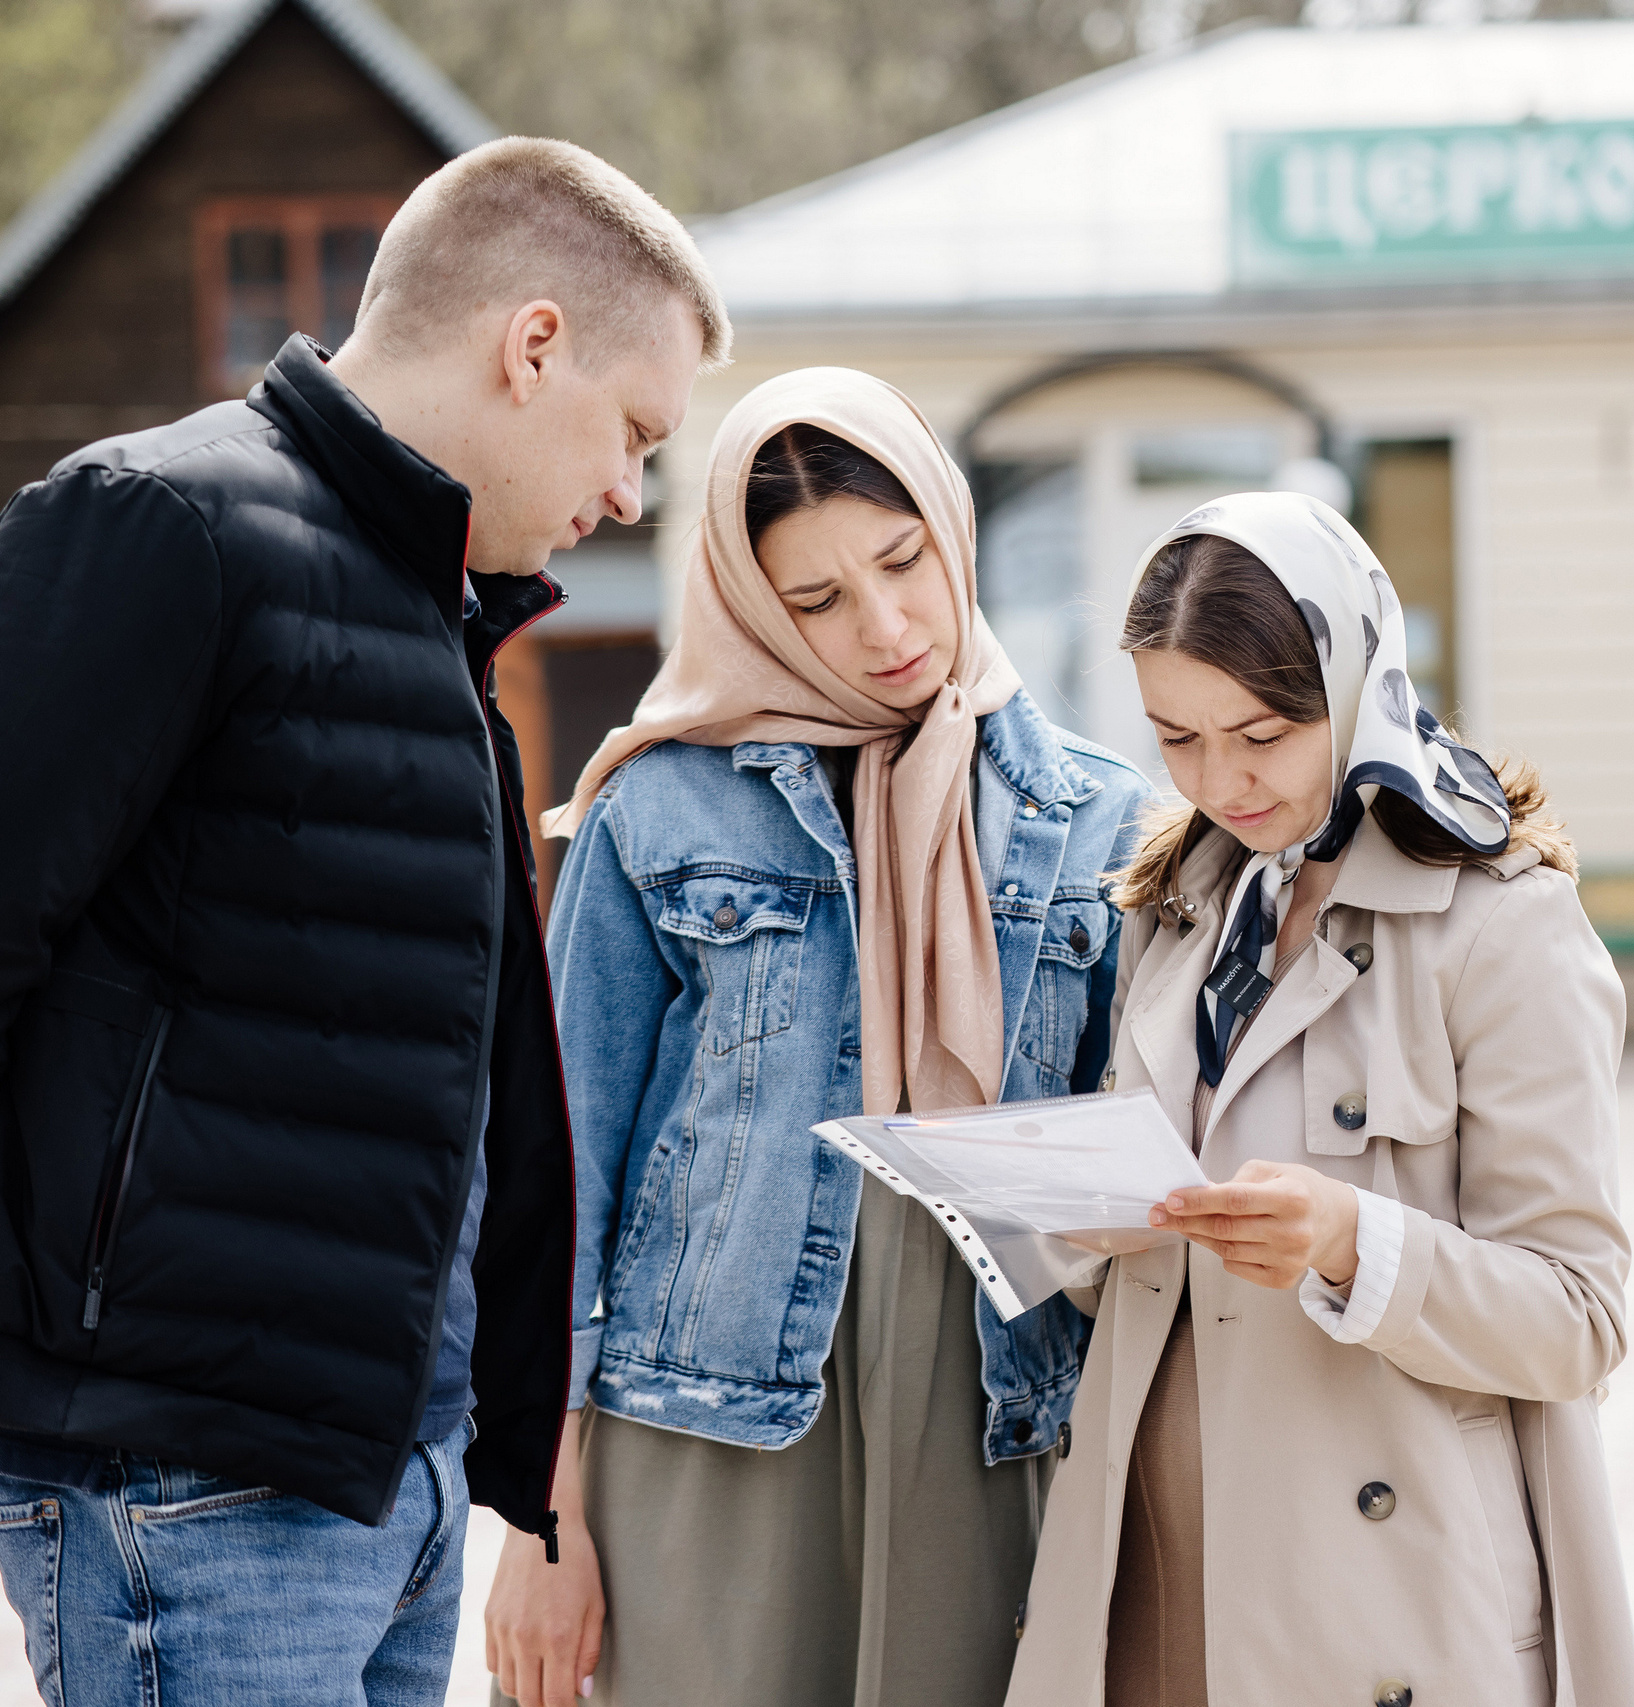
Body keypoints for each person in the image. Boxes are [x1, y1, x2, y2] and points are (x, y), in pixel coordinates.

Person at [0, 137, 730, 1707]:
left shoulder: (430, 610)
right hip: (186, 1479)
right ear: (531, 342)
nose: (626, 494)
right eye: (632, 433)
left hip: (381, 1468)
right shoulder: (161, 525)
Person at [481, 367, 1155, 1707]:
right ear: (750, 603)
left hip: (998, 1412)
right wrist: (539, 1521)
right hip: (706, 1415)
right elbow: (555, 1184)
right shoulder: (657, 807)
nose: (888, 624)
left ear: (950, 530)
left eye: (904, 561)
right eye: (818, 599)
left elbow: (1143, 1183)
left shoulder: (1103, 821)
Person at [1006, 492, 1634, 1707]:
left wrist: (1355, 1242)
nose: (1222, 782)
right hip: (1150, 1558)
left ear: (1351, 684)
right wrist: (1075, 1217)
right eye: (1176, 738)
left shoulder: (1501, 922)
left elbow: (1579, 1319)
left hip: (1372, 1593)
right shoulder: (1174, 906)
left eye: (1261, 733)